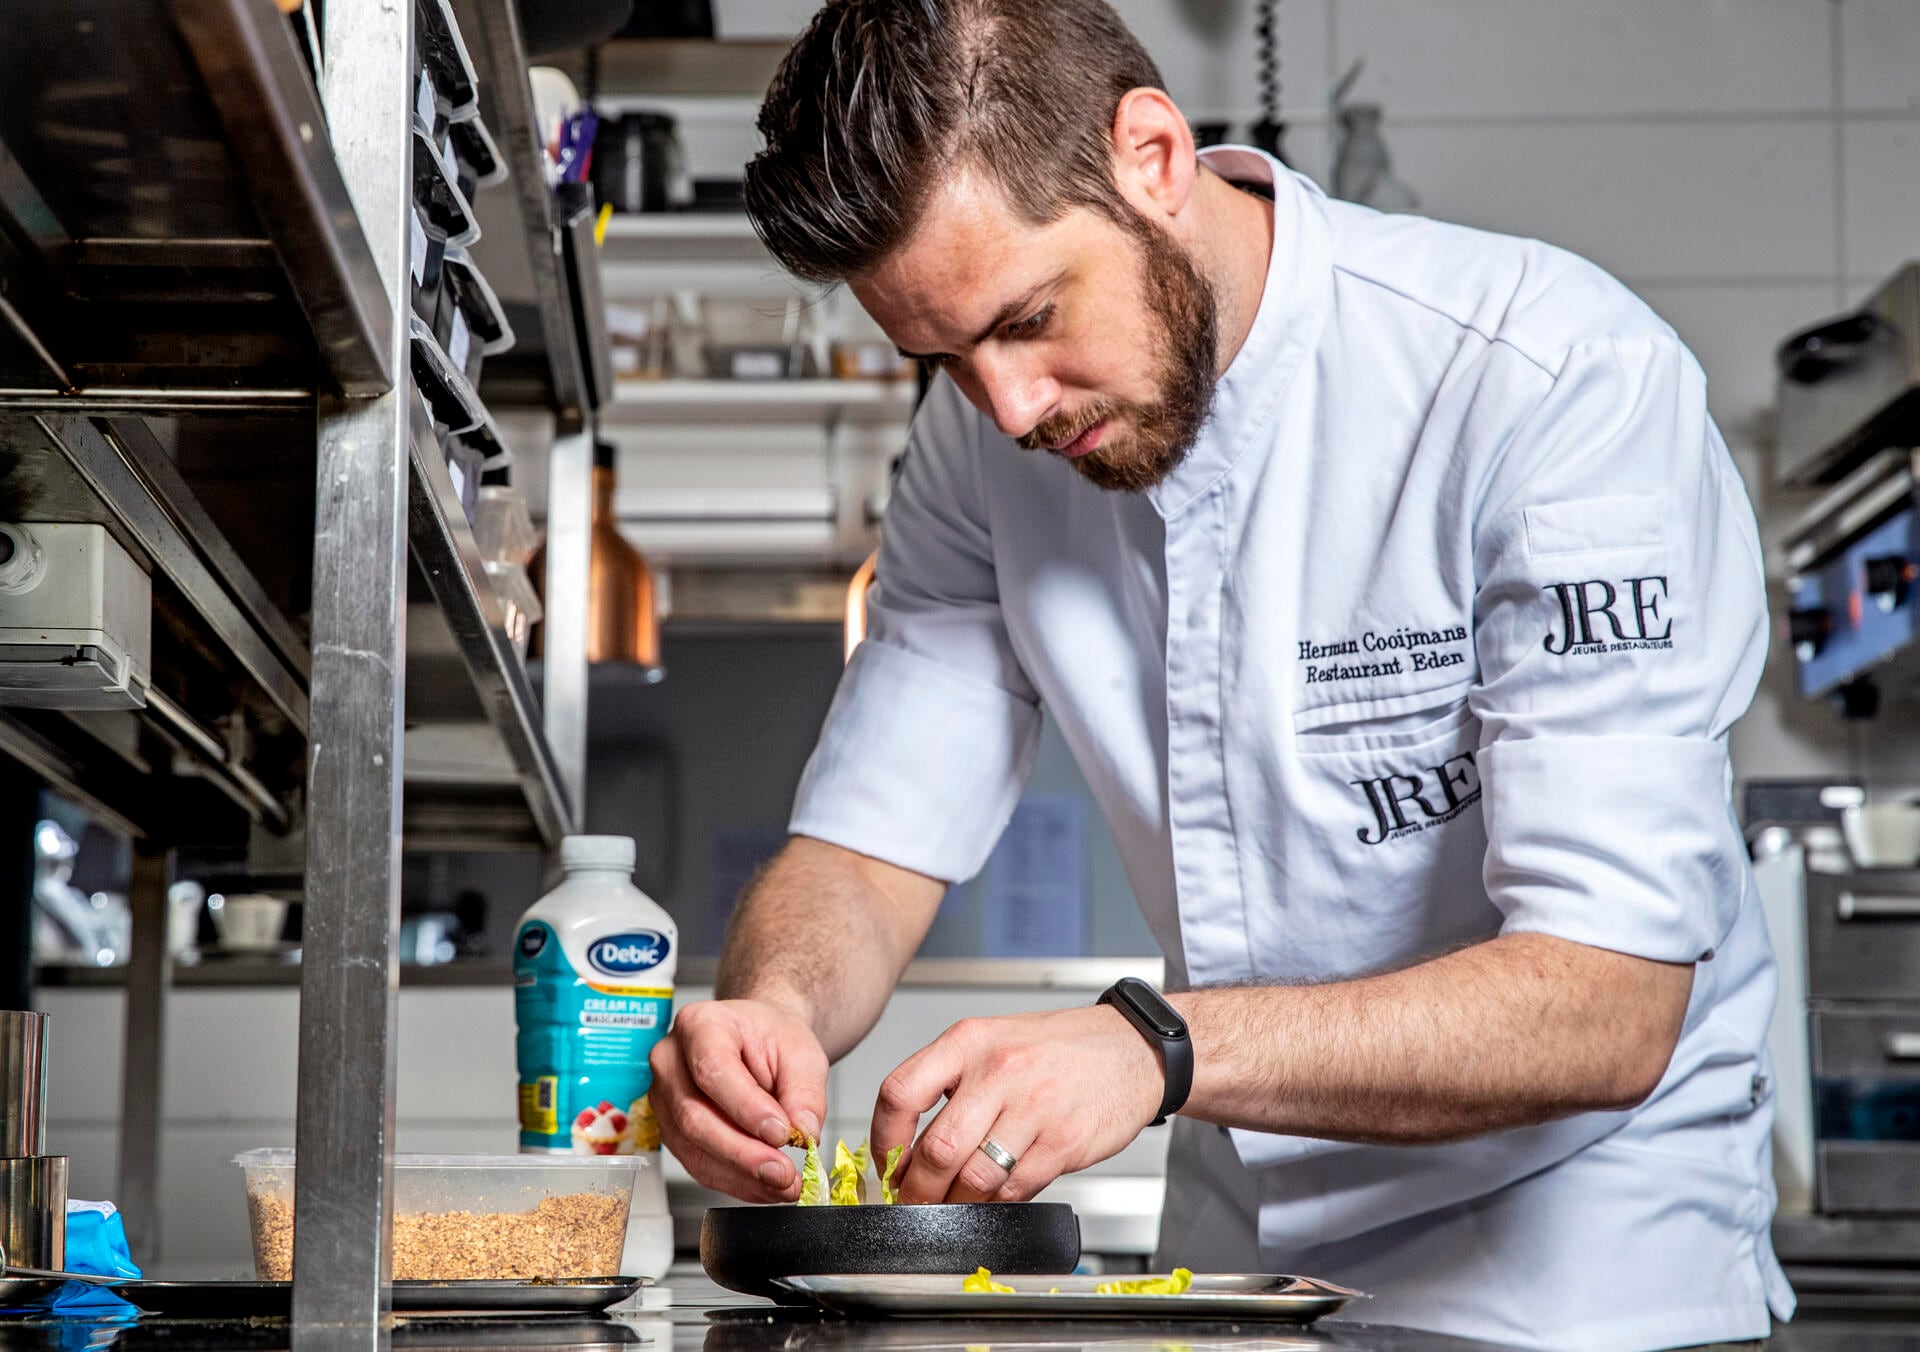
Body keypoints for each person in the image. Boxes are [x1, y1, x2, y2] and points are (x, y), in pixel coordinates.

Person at [648, 2, 1794, 1347]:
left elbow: (1608, 1004)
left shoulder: (1550, 383)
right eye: (944, 359)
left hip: (1578, 1262)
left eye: (1028, 317)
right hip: (1243, 1262)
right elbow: (864, 848)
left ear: (1152, 154)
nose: (1011, 409)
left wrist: (1153, 1047)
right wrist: (774, 1014)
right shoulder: (982, 456)